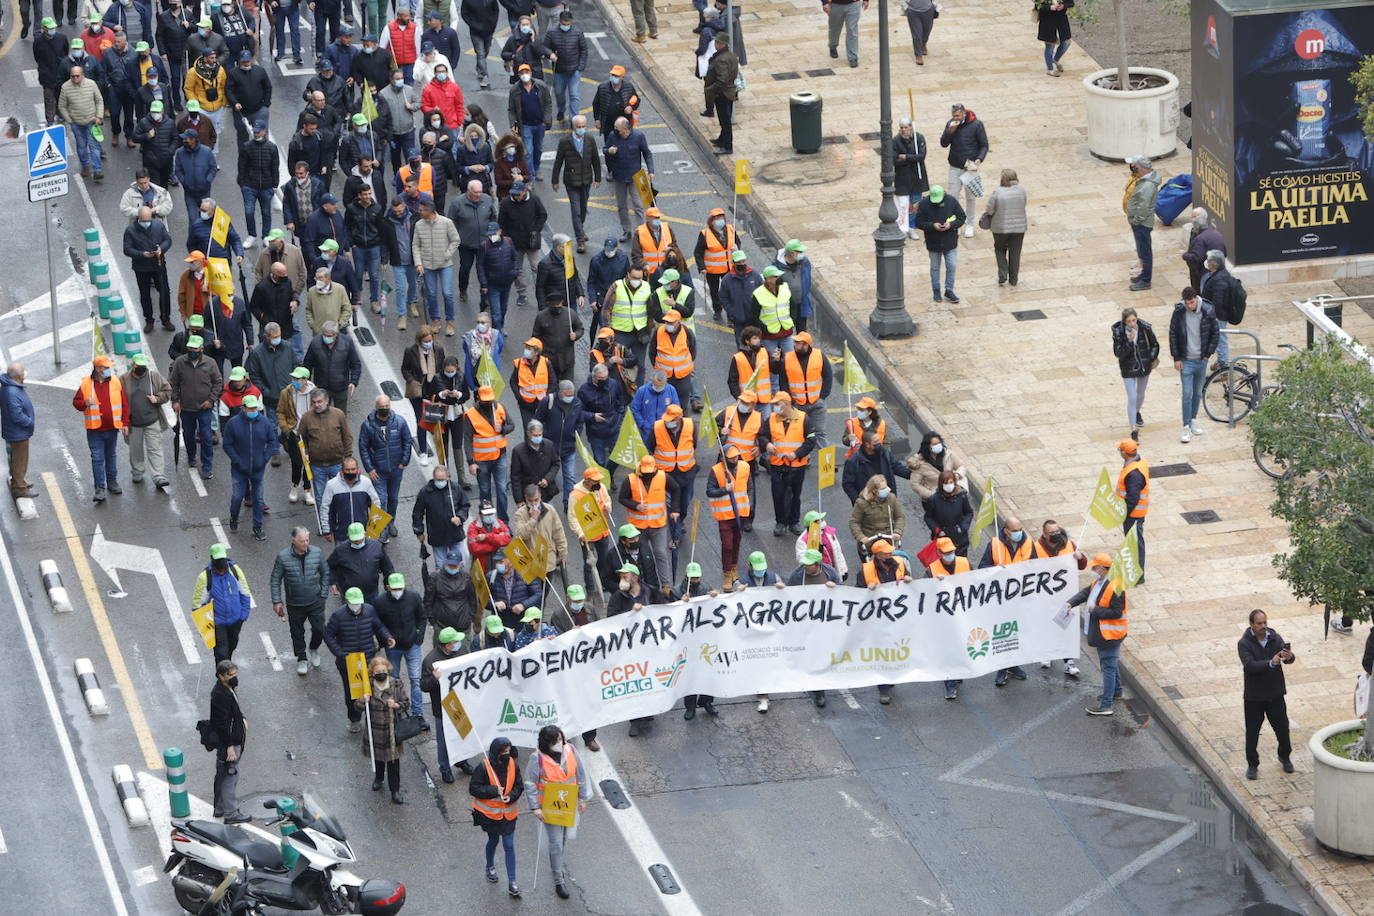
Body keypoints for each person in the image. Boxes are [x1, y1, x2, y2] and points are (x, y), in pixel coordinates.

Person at [525, 724, 591, 900]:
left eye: (561, 739)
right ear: (547, 743)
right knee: (555, 843)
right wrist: (535, 808)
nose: (560, 743)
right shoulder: (536, 759)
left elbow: (580, 774)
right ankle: (558, 879)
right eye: (556, 741)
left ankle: (557, 864)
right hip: (549, 807)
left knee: (562, 839)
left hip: (567, 805)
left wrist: (582, 798)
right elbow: (530, 784)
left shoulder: (570, 749)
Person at [1061, 555, 1129, 716]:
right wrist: (1071, 602)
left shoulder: (1116, 587)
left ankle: (1106, 705)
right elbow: (1086, 593)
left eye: (1095, 568)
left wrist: (1095, 610)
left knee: (1108, 667)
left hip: (1109, 634)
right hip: (1103, 633)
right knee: (1110, 663)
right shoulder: (1099, 582)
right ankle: (1116, 692)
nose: (1092, 570)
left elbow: (1116, 612)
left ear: (1103, 569)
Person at [324, 587, 395, 731]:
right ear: (347, 601)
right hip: (348, 662)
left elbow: (379, 626)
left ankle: (373, 717)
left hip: (368, 659)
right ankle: (355, 719)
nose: (356, 606)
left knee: (373, 689)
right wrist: (339, 652)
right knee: (352, 692)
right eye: (353, 603)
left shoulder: (369, 610)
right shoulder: (338, 615)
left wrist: (387, 636)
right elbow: (328, 635)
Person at [1238, 609, 1295, 778]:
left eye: (1265, 622)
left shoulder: (1275, 638)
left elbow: (1289, 660)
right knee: (1253, 732)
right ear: (1251, 625)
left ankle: (1285, 756)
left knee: (1283, 728)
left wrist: (1289, 656)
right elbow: (1250, 666)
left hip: (1275, 694)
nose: (1264, 626)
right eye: (1259, 623)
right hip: (1254, 697)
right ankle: (1252, 764)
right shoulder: (1244, 643)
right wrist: (1271, 662)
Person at [979, 516, 1034, 686]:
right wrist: (996, 571)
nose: (1018, 533)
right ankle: (1002, 669)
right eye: (1014, 531)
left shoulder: (1030, 544)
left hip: (1021, 597)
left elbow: (1039, 566)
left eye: (1020, 530)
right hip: (1001, 599)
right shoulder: (994, 545)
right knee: (1003, 635)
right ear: (1006, 531)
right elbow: (982, 567)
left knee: (1016, 633)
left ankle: (1013, 665)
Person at [271, 527, 331, 675]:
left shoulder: (316, 552)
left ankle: (314, 648)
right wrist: (277, 601)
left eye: (307, 540)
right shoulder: (283, 557)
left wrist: (323, 593)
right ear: (293, 541)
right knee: (297, 632)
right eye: (302, 540)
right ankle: (302, 658)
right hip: (294, 603)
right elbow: (275, 579)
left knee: (320, 629)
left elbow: (325, 573)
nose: (305, 543)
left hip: (315, 601)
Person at [471, 737, 523, 898]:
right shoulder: (483, 767)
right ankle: (490, 866)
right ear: (496, 752)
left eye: (508, 751)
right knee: (493, 841)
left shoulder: (513, 765)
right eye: (503, 752)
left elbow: (518, 786)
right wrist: (494, 791)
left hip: (508, 815)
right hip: (490, 816)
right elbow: (474, 788)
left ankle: (513, 882)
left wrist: (511, 797)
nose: (507, 754)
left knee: (509, 844)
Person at [222, 394, 277, 540]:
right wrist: (237, 461)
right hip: (239, 470)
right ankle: (234, 516)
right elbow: (227, 444)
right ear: (243, 408)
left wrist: (264, 459)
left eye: (255, 408)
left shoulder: (265, 422)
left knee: (258, 499)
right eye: (250, 408)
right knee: (237, 496)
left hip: (258, 469)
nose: (254, 410)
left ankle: (257, 527)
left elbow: (272, 441)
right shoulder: (233, 424)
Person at [1167, 287, 1218, 443]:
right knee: (1187, 393)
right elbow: (1173, 334)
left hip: (1201, 359)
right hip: (1186, 360)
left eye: (1192, 302)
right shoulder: (1179, 312)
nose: (1190, 306)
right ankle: (1186, 426)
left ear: (1196, 298)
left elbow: (1215, 333)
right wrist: (1176, 358)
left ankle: (1193, 419)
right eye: (1187, 303)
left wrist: (1208, 354)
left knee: (1197, 393)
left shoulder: (1208, 310)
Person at [762, 392, 817, 536]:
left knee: (795, 494)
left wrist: (796, 454)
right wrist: (767, 444)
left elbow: (811, 441)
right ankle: (780, 522)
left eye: (777, 404)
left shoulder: (804, 418)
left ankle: (793, 522)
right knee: (778, 494)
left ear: (786, 404)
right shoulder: (771, 419)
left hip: (797, 466)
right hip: (777, 465)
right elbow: (762, 435)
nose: (774, 407)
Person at [359, 395, 413, 538]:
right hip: (378, 471)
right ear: (376, 407)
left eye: (386, 406)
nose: (384, 409)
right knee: (380, 499)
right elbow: (363, 448)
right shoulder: (368, 425)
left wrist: (404, 462)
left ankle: (391, 522)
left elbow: (408, 441)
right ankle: (380, 527)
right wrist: (369, 469)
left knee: (393, 498)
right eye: (381, 407)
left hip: (396, 469)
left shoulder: (400, 422)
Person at [737, 551, 785, 711]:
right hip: (752, 630)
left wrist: (782, 589)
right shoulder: (742, 581)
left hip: (771, 628)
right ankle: (763, 696)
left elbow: (788, 600)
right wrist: (738, 592)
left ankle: (767, 690)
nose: (760, 571)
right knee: (759, 662)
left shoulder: (774, 578)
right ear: (749, 566)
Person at [74, 355, 126, 502]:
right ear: (97, 369)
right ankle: (100, 488)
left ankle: (112, 482)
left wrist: (125, 423)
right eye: (106, 367)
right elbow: (76, 402)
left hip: (112, 428)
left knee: (111, 455)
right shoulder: (86, 384)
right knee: (97, 458)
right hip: (95, 430)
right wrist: (85, 403)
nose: (109, 369)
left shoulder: (115, 381)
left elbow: (124, 403)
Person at [192, 542, 254, 662]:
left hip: (236, 619)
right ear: (211, 559)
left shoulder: (235, 570)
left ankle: (225, 670)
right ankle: (223, 676)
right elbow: (198, 605)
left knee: (232, 646)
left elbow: (245, 593)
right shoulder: (205, 577)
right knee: (221, 652)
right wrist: (204, 628)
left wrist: (243, 616)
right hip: (217, 622)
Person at [420, 627, 468, 783]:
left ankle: (462, 760)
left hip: (461, 702)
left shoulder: (462, 651)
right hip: (442, 706)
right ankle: (445, 769)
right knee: (444, 740)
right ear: (447, 645)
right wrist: (435, 679)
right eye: (455, 641)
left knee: (463, 734)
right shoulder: (430, 660)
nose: (459, 643)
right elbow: (424, 686)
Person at [358, 655, 407, 804]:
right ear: (372, 672)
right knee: (378, 758)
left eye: (384, 670)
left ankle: (395, 790)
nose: (381, 672)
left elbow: (406, 703)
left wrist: (397, 705)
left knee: (393, 763)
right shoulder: (367, 687)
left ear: (388, 670)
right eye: (378, 670)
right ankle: (379, 778)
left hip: (392, 730)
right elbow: (357, 707)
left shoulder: (397, 684)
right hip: (375, 730)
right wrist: (361, 700)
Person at [926, 537, 971, 698]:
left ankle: (957, 674)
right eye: (946, 553)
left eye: (952, 551)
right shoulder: (931, 570)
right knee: (948, 651)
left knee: (960, 647)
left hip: (963, 613)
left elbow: (976, 582)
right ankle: (950, 684)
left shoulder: (964, 563)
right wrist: (934, 585)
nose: (950, 555)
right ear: (938, 553)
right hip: (944, 618)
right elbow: (926, 595)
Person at [207, 659, 250, 822]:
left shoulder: (228, 688)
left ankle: (219, 809)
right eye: (230, 674)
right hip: (229, 743)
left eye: (235, 673)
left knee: (222, 774)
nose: (234, 677)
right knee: (230, 776)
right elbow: (222, 724)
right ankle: (231, 814)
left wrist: (242, 718)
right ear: (220, 676)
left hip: (231, 741)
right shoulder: (220, 695)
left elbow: (234, 710)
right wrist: (229, 747)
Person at [465, 386, 515, 520]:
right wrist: (471, 462)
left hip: (499, 456)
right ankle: (488, 521)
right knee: (485, 491)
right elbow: (467, 440)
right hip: (481, 460)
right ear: (478, 399)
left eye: (490, 400)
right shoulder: (471, 414)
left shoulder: (499, 408)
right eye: (485, 401)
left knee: (502, 490)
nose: (488, 403)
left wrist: (502, 429)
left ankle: (503, 521)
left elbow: (512, 425)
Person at [123, 206, 174, 334]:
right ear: (138, 219)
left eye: (149, 220)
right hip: (141, 268)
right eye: (144, 220)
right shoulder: (130, 230)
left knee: (164, 292)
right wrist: (142, 254)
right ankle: (149, 320)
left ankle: (165, 318)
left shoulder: (158, 225)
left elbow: (167, 240)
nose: (147, 222)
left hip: (158, 264)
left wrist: (161, 249)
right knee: (145, 294)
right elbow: (127, 249)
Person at [939, 103, 987, 236]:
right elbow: (943, 143)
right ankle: (955, 223)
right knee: (952, 196)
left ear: (964, 113)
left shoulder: (976, 125)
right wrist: (950, 132)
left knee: (970, 198)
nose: (956, 118)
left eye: (958, 115)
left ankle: (970, 224)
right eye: (954, 115)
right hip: (955, 166)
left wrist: (978, 160)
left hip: (970, 167)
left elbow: (984, 145)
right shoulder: (951, 124)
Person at [413, 198, 460, 333]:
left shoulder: (446, 223)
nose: (419, 212)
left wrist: (447, 254)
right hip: (427, 265)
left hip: (445, 264)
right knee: (431, 294)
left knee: (447, 293)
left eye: (422, 210)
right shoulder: (419, 225)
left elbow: (455, 240)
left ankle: (450, 321)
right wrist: (418, 263)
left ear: (430, 211)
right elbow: (415, 245)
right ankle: (436, 320)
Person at [604, 117, 654, 240]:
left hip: (636, 176)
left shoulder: (638, 136)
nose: (615, 131)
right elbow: (605, 149)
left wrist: (651, 171)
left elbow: (647, 154)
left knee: (638, 205)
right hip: (619, 176)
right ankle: (627, 230)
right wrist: (609, 151)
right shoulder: (612, 136)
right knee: (622, 206)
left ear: (625, 129)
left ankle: (641, 232)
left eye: (618, 129)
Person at [1112, 307, 1160, 438]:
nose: (1132, 323)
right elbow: (1118, 353)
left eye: (1134, 320)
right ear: (1124, 322)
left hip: (1144, 366)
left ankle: (1137, 411)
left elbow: (1155, 344)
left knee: (1140, 393)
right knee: (1132, 396)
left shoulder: (1145, 328)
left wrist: (1150, 358)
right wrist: (1128, 341)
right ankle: (1133, 428)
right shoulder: (1119, 332)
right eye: (1129, 321)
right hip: (1128, 368)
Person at [914, 185, 965, 304]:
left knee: (951, 265)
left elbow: (961, 217)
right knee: (935, 267)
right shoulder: (924, 204)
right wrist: (932, 225)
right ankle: (936, 290)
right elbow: (918, 222)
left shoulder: (951, 201)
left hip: (950, 240)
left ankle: (949, 290)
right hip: (933, 241)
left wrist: (951, 225)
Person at [414, 464, 471, 569]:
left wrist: (460, 517)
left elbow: (465, 505)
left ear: (448, 478)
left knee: (460, 564)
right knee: (440, 566)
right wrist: (419, 531)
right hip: (437, 535)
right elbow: (417, 513)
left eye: (442, 479)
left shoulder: (455, 488)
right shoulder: (425, 492)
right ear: (433, 478)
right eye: (438, 479)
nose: (440, 482)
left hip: (455, 533)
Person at [303, 319, 362, 414]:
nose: (326, 338)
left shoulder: (347, 342)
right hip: (321, 387)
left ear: (336, 334)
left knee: (340, 416)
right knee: (320, 415)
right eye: (324, 335)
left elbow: (355, 364)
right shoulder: (315, 343)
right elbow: (307, 364)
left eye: (329, 336)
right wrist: (307, 382)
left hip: (340, 387)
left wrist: (354, 382)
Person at [512, 484, 568, 581]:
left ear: (540, 496)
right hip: (531, 561)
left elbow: (558, 532)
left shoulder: (550, 510)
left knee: (545, 591)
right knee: (535, 593)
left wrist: (563, 551)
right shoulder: (520, 514)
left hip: (548, 558)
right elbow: (521, 535)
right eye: (530, 501)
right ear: (525, 499)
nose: (534, 504)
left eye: (536, 500)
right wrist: (533, 519)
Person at [60, 65, 106, 181]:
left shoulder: (91, 84)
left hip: (91, 121)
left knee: (94, 146)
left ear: (82, 75)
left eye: (77, 76)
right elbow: (62, 106)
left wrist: (99, 117)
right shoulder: (65, 87)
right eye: (72, 76)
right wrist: (70, 121)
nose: (75, 78)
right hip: (76, 123)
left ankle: (97, 170)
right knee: (81, 146)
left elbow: (99, 101)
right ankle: (85, 165)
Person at [983, 168, 1028, 286]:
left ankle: (1002, 273)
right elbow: (1024, 203)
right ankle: (1014, 280)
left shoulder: (998, 192)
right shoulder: (1022, 191)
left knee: (999, 248)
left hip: (1000, 228)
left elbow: (989, 210)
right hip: (1019, 228)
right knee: (1015, 253)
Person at [842, 430, 910, 504]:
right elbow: (847, 484)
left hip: (886, 500)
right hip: (868, 504)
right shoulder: (853, 461)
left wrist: (911, 474)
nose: (879, 444)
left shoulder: (885, 453)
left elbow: (896, 467)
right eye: (876, 442)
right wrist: (858, 501)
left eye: (879, 441)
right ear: (867, 445)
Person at [1124, 156, 1161, 291]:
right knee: (1141, 250)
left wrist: (1136, 220)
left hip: (1142, 223)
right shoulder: (1144, 180)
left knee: (1145, 252)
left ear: (1142, 169)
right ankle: (1143, 275)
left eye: (1136, 167)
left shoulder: (1147, 185)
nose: (1133, 169)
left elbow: (1144, 207)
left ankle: (1145, 280)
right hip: (1139, 222)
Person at [1114, 437, 1150, 576]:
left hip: (1133, 514)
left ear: (1125, 453)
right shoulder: (1138, 463)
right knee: (1133, 543)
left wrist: (1123, 513)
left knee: (1135, 545)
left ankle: (1137, 575)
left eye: (1120, 450)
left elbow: (1133, 498)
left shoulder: (1134, 473)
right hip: (1134, 513)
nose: (1119, 452)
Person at [321, 458, 378, 543]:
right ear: (342, 470)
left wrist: (375, 528)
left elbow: (376, 505)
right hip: (341, 535)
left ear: (358, 469)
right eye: (347, 470)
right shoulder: (331, 485)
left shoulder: (366, 483)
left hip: (362, 533)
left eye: (353, 469)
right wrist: (326, 530)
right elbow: (325, 508)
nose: (350, 472)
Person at [1, 364, 36, 500]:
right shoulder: (11, 391)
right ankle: (19, 488)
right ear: (18, 376)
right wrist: (29, 422)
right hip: (18, 432)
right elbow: (16, 415)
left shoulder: (10, 387)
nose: (24, 374)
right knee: (19, 461)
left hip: (16, 431)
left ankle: (20, 483)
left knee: (18, 460)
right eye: (23, 371)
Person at [1200, 250, 1237, 370]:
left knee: (1220, 340)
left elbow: (1218, 301)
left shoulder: (1219, 279)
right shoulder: (1218, 274)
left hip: (1218, 316)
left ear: (1213, 264)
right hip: (1217, 314)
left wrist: (1211, 315)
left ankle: (1224, 366)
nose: (1206, 262)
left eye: (1208, 260)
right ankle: (1221, 361)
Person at [849, 472, 904, 553]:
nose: (887, 490)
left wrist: (898, 532)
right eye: (883, 489)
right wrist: (861, 537)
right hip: (869, 542)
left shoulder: (891, 498)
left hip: (887, 542)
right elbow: (854, 522)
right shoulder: (861, 503)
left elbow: (900, 517)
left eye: (886, 487)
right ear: (874, 490)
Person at [172, 131, 220, 223]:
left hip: (204, 192)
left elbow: (213, 168)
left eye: (186, 139)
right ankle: (193, 237)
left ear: (193, 140)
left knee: (205, 217)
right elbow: (178, 170)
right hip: (189, 193)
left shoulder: (207, 151)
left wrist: (208, 180)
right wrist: (184, 181)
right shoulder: (180, 153)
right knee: (193, 219)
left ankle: (204, 236)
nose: (184, 140)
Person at [923, 469, 972, 556]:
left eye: (951, 482)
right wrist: (937, 530)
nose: (949, 485)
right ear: (941, 484)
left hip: (960, 539)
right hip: (944, 539)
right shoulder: (934, 499)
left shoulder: (961, 496)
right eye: (946, 483)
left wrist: (963, 527)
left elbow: (968, 513)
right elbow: (928, 517)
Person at [703, 33, 738, 154]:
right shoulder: (730, 55)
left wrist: (712, 89)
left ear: (722, 44)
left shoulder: (721, 59)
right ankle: (722, 139)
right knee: (724, 118)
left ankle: (727, 146)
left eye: (718, 42)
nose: (715, 44)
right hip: (729, 91)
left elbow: (722, 79)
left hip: (722, 93)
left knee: (725, 120)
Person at [892, 119, 926, 239]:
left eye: (906, 127)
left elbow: (921, 156)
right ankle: (902, 228)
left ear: (911, 127)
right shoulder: (895, 141)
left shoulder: (919, 138)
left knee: (914, 204)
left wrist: (905, 157)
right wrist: (912, 159)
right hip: (902, 178)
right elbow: (894, 159)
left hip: (917, 177)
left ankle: (912, 227)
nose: (903, 130)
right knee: (902, 205)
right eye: (901, 127)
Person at [489, 553, 542, 629]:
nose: (498, 565)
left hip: (522, 619)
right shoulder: (491, 577)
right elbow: (484, 599)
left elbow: (538, 594)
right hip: (501, 621)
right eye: (496, 562)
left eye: (501, 562)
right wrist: (495, 603)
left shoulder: (526, 574)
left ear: (511, 562)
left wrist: (523, 605)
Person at [1181, 207, 1226, 293]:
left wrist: (1185, 255)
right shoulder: (1217, 234)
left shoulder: (1200, 238)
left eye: (1193, 217)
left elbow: (1197, 258)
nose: (1191, 219)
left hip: (1203, 274)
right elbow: (1225, 253)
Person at [460, 0, 497, 89]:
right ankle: (485, 75)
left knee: (486, 51)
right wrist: (473, 25)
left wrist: (493, 23)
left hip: (489, 30)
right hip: (475, 31)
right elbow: (464, 14)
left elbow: (496, 10)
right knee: (481, 53)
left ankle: (480, 68)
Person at [823, 0, 867, 68]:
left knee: (852, 30)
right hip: (834, 4)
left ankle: (853, 57)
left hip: (854, 4)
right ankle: (832, 46)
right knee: (835, 29)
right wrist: (825, 2)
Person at [1036, 0, 1073, 75]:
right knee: (1050, 45)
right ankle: (1050, 69)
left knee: (1067, 42)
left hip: (1061, 19)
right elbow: (1038, 6)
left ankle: (1055, 60)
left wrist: (1063, 6)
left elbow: (1071, 3)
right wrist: (1050, 7)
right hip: (1047, 20)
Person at [904, 0, 935, 64]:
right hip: (912, 11)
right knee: (917, 34)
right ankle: (918, 55)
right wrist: (905, 7)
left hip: (928, 10)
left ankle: (923, 44)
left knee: (927, 31)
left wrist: (934, 5)